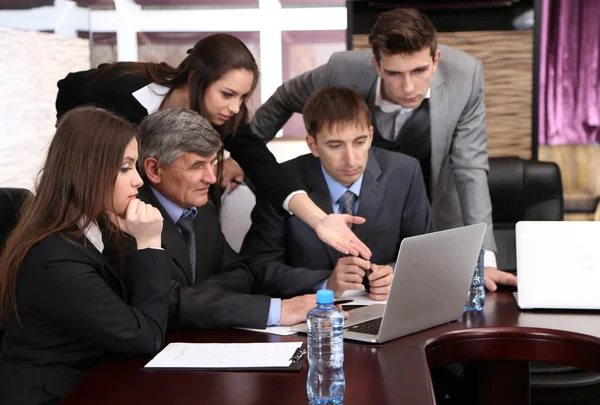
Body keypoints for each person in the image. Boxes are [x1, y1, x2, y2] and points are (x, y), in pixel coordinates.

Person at [250, 8, 517, 291]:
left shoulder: (465, 77)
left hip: (425, 197)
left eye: (419, 71)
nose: (408, 87)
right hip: (352, 195)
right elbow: (283, 99)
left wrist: (484, 258)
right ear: (376, 65)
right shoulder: (341, 69)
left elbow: (470, 168)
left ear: (435, 60)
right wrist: (246, 157)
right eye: (394, 74)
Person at [55, 33, 371, 261]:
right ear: (196, 78)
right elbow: (68, 87)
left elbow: (263, 166)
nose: (235, 107)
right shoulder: (127, 88)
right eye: (227, 94)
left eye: (243, 98)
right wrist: (78, 151)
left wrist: (319, 220)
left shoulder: (225, 120)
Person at [0, 107, 170, 405]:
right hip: (54, 394)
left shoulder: (96, 227)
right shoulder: (55, 257)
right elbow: (146, 337)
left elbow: (137, 309)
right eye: (125, 167)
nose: (139, 181)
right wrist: (150, 242)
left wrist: (136, 239)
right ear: (89, 170)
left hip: (95, 379)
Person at [133, 108, 329, 329]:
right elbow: (163, 304)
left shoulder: (203, 209)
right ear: (154, 169)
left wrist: (187, 298)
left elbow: (242, 274)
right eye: (198, 165)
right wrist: (279, 310)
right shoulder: (130, 219)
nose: (211, 177)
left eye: (213, 162)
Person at [241, 87, 431, 300]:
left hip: (384, 312)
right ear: (313, 145)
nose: (351, 160)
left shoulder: (405, 172)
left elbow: (424, 255)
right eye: (335, 146)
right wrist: (325, 283)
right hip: (309, 319)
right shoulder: (281, 181)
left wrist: (395, 274)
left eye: (359, 142)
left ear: (370, 135)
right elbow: (257, 269)